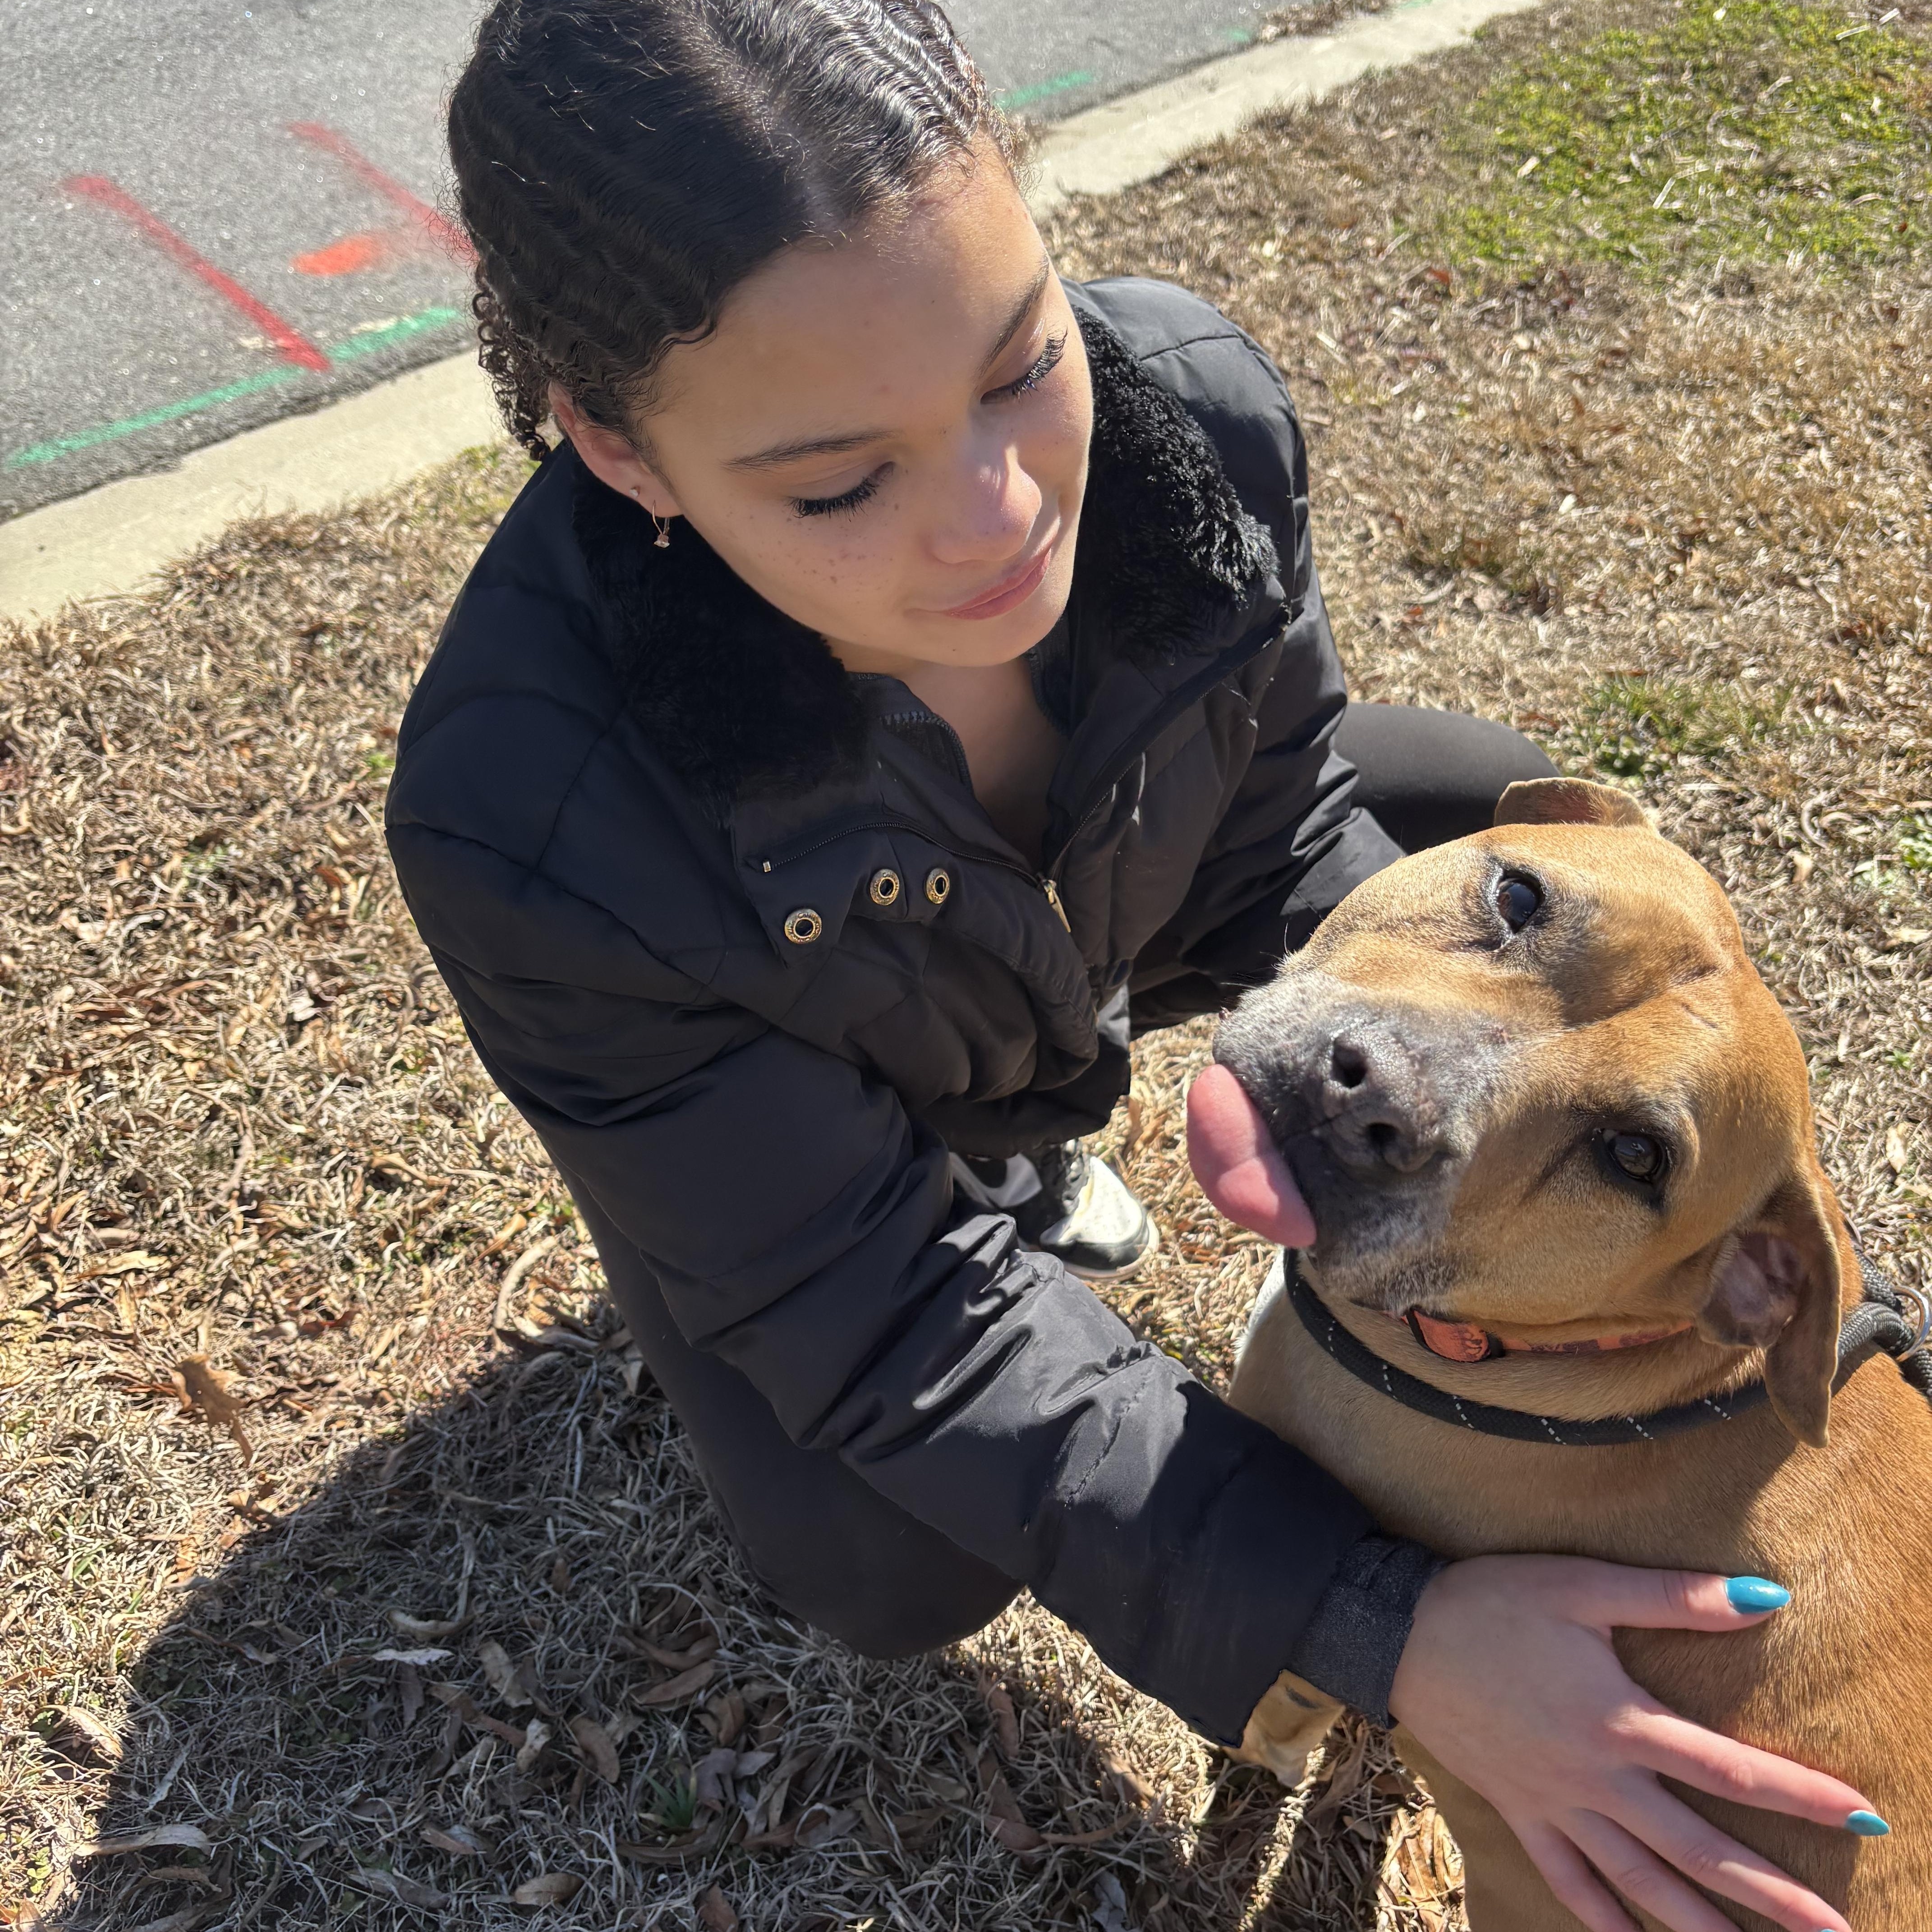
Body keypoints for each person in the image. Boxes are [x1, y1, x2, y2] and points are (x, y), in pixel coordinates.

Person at [386, 4, 1877, 1926]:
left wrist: (1690, 1202)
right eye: (837, 487)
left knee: (1486, 826)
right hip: (796, 1039)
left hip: (1069, 919)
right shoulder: (531, 819)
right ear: (617, 446)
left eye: (1023, 365)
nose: (1002, 519)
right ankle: (830, 1182)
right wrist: (1386, 1625)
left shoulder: (1192, 413)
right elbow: (895, 1325)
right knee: (883, 1548)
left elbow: (1278, 816)